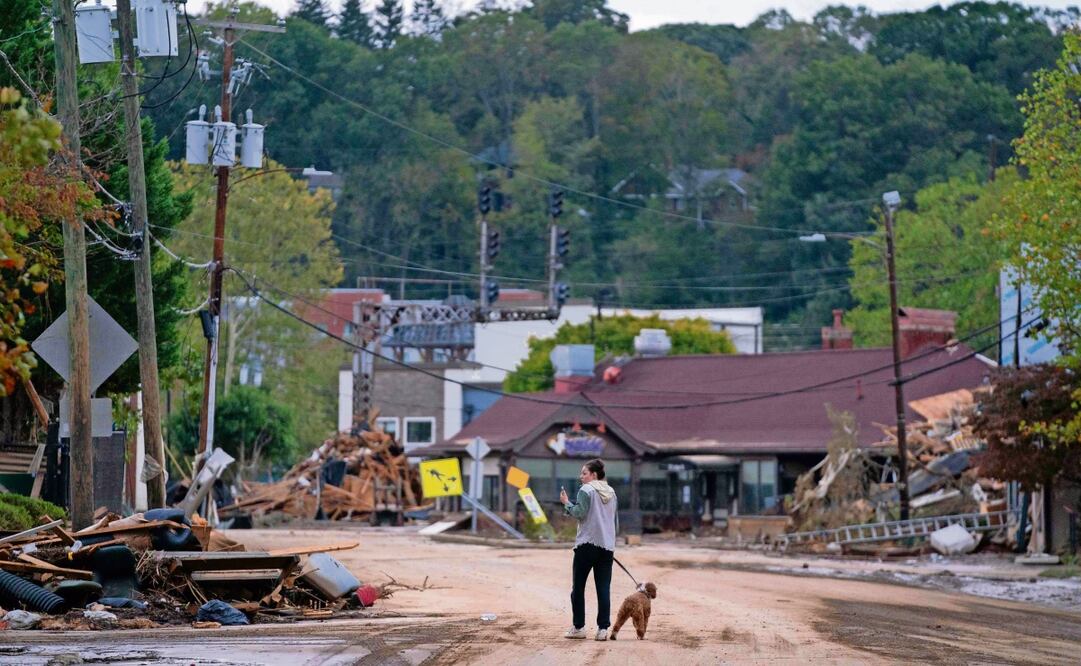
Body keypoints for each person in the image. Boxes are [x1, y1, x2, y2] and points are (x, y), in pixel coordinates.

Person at [560, 458, 618, 641]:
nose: (581, 477)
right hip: (607, 546)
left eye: (584, 473)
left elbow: (580, 513)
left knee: (578, 588)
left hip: (587, 545)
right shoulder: (612, 492)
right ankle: (603, 630)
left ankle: (579, 628)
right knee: (603, 589)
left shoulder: (586, 490)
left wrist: (566, 503)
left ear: (594, 475)